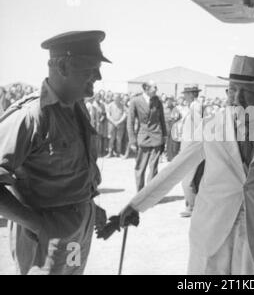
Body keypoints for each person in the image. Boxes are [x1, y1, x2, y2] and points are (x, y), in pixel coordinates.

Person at [119, 55, 254, 275]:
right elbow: (177, 168)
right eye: (232, 90)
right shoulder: (210, 126)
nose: (238, 98)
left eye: (248, 91)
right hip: (210, 232)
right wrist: (137, 205)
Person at [0, 30, 110, 274]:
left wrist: (88, 204)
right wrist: (37, 225)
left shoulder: (78, 108)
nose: (99, 76)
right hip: (46, 237)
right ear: (62, 66)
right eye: (90, 68)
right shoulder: (31, 116)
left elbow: (74, 171)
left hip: (77, 230)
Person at [127, 82, 167, 192]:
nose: (156, 89)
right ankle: (140, 193)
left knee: (154, 168)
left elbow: (162, 119)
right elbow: (130, 122)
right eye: (154, 87)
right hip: (143, 138)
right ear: (146, 88)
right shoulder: (135, 101)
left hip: (157, 137)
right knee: (140, 167)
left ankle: (149, 194)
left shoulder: (157, 101)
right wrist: (132, 141)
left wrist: (164, 136)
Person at [179, 86, 204, 218]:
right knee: (194, 178)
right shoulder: (193, 106)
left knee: (187, 179)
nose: (184, 96)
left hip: (192, 148)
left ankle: (191, 207)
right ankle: (194, 206)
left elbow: (199, 126)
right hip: (191, 146)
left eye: (186, 93)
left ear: (191, 94)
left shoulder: (195, 106)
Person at [105, 93, 127, 157]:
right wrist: (114, 122)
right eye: (115, 97)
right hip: (111, 124)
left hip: (120, 125)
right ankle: (110, 153)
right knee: (111, 139)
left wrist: (119, 122)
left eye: (118, 97)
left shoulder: (123, 105)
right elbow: (108, 115)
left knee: (119, 139)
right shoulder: (110, 105)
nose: (116, 98)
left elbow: (124, 115)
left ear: (120, 98)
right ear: (113, 98)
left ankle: (118, 153)